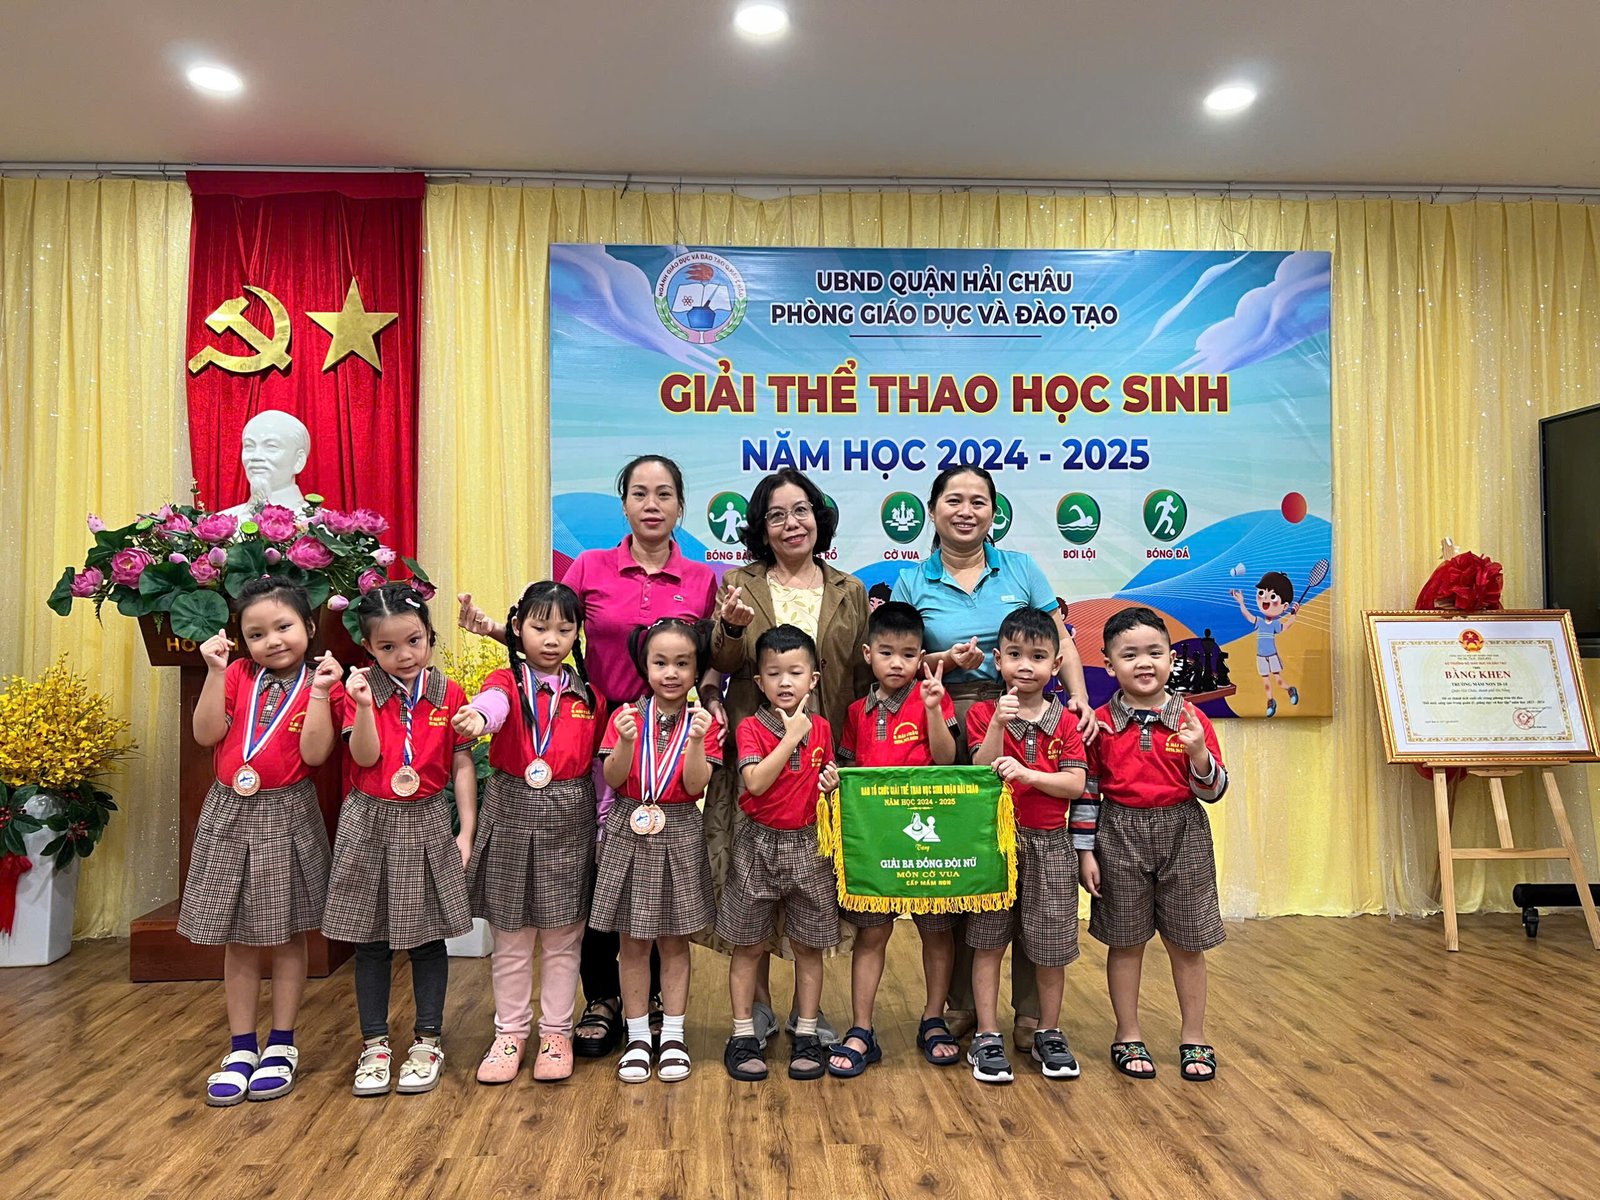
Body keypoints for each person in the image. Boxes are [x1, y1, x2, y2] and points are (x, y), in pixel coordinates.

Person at [457, 455, 719, 1058]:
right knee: (597, 864)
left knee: (656, 861)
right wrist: (496, 630)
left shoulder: (703, 578)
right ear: (623, 503)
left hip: (670, 733)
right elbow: (550, 632)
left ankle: (658, 1002)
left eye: (664, 494)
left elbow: (709, 661)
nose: (651, 504)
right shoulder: (590, 566)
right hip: (592, 726)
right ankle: (602, 997)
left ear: (681, 505)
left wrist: (709, 700)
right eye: (639, 493)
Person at [890, 464, 1095, 1049]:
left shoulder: (1021, 568)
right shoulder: (912, 580)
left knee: (1034, 870)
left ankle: (1031, 1014)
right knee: (964, 859)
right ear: (933, 510)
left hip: (1026, 712)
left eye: (978, 501)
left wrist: (1078, 699)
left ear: (993, 512)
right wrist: (945, 664)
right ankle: (961, 1006)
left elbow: (1060, 640)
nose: (966, 511)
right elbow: (897, 660)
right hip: (946, 720)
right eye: (954, 500)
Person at [706, 467, 870, 1045]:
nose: (791, 523)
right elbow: (721, 663)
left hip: (824, 764)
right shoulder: (738, 583)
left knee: (814, 888)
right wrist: (730, 629)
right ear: (761, 527)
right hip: (758, 757)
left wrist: (852, 754)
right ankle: (757, 1007)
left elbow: (862, 676)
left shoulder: (849, 590)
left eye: (801, 510)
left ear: (818, 517)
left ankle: (809, 1011)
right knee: (749, 882)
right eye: (776, 515)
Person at [305, 583, 478, 1098]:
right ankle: (375, 1044)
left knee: (428, 937)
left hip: (428, 818)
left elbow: (462, 765)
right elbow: (363, 757)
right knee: (371, 940)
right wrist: (362, 707)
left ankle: (428, 1039)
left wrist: (466, 831)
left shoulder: (448, 693)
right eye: (387, 646)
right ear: (367, 647)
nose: (404, 655)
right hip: (368, 820)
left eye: (414, 641)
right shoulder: (356, 689)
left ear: (429, 635)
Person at [181, 576, 340, 1106]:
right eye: (256, 634)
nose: (272, 641)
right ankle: (241, 1046)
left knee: (288, 932)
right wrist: (214, 671)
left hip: (287, 810)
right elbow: (206, 734)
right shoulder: (237, 674)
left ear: (309, 627)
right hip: (229, 808)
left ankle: (282, 1043)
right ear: (241, 640)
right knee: (239, 933)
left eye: (283, 627)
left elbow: (315, 755)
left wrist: (321, 693)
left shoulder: (324, 681)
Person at [454, 582, 607, 1085]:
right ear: (517, 628)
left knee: (564, 937)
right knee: (512, 935)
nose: (552, 639)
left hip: (571, 818)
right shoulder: (505, 680)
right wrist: (479, 716)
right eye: (540, 628)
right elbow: (494, 704)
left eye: (565, 629)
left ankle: (557, 1033)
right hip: (511, 810)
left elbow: (601, 765)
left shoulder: (590, 695)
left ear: (577, 634)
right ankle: (510, 1033)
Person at [1080, 606, 1228, 1082]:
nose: (1144, 663)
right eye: (1130, 655)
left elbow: (1214, 792)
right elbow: (1087, 791)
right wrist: (1085, 852)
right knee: (1125, 941)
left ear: (1170, 659)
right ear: (1109, 665)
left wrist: (1198, 753)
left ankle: (1194, 1036)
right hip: (1117, 833)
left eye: (1154, 652)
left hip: (1184, 833)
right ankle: (1127, 1033)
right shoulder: (1100, 724)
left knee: (1188, 943)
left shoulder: (1192, 719)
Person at [828, 601, 961, 1078]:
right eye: (886, 653)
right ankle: (861, 1028)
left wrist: (933, 709)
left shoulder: (933, 697)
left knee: (936, 929)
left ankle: (933, 1018)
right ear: (868, 655)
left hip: (928, 835)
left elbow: (946, 760)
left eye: (908, 654)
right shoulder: (855, 710)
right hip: (875, 839)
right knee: (872, 932)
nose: (897, 663)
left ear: (922, 657)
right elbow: (847, 767)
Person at [590, 618, 721, 1084]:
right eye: (660, 662)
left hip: (680, 829)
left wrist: (698, 740)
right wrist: (626, 741)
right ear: (644, 666)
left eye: (682, 664)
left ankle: (674, 1036)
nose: (671, 673)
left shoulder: (703, 722)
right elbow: (612, 777)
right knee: (632, 942)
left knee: (675, 941)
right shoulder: (625, 716)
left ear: (697, 669)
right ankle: (637, 1036)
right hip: (629, 826)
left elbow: (695, 784)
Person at [966, 607, 1089, 1085]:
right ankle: (987, 1034)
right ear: (998, 660)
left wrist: (1029, 775)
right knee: (987, 941)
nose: (1025, 666)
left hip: (1050, 845)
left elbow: (1075, 784)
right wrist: (999, 724)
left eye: (1038, 657)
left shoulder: (1067, 722)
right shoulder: (983, 713)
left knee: (1051, 945)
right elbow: (980, 769)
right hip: (994, 845)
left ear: (1055, 665)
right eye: (1015, 655)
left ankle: (1048, 1032)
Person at [716, 625, 840, 1083]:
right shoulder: (750, 727)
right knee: (748, 944)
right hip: (758, 844)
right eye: (774, 673)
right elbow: (754, 783)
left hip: (810, 844)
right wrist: (791, 737)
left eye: (795, 672)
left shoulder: (821, 728)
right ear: (759, 681)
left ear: (813, 678)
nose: (785, 682)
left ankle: (805, 1030)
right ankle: (743, 1033)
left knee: (809, 946)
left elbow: (823, 779)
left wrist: (831, 783)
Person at [1230, 571, 1300, 716]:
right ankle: (1270, 702)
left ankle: (1290, 690)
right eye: (1261, 593)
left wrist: (1293, 615)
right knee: (1266, 682)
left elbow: (1286, 626)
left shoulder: (1275, 624)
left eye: (1272, 597)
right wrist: (1241, 602)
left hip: (1272, 655)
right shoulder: (1260, 622)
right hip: (1261, 657)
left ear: (1284, 606)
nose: (1265, 600)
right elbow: (1248, 616)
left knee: (1278, 680)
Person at [222, 409, 312, 519]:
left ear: (298, 460)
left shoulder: (322, 526)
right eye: (249, 446)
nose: (256, 456)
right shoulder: (218, 524)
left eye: (271, 446)